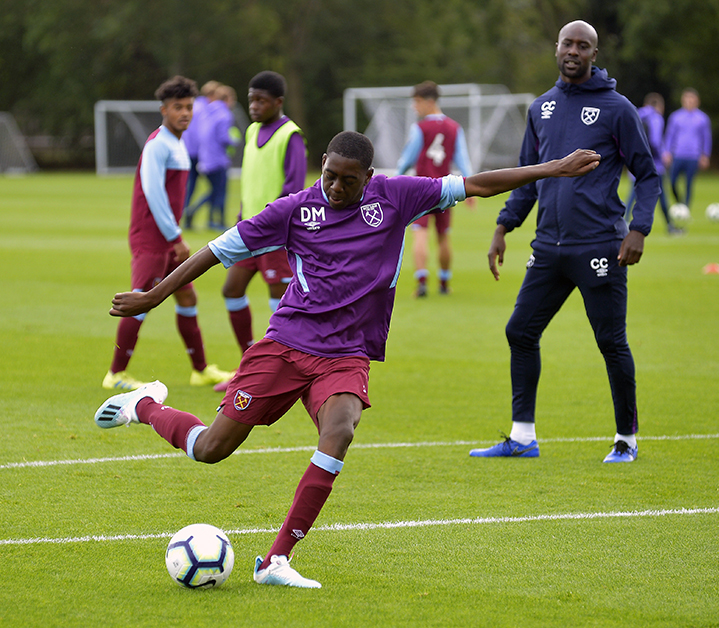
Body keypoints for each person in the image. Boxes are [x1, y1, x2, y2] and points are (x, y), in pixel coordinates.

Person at [94, 131, 599, 587]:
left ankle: (276, 561)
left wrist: (551, 168)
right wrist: (155, 295)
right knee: (210, 449)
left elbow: (478, 184)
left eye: (347, 181)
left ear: (369, 179)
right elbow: (218, 250)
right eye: (329, 176)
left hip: (347, 354)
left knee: (340, 429)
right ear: (321, 167)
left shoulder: (398, 197)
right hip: (287, 345)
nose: (335, 188)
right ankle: (146, 407)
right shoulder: (292, 210)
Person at [469, 20, 659, 463]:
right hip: (548, 248)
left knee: (611, 341)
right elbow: (526, 178)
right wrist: (504, 225)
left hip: (600, 246)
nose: (574, 51)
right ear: (557, 49)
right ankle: (522, 437)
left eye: (584, 46)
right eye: (568, 43)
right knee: (520, 331)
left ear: (595, 54)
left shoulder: (618, 109)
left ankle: (626, 440)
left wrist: (638, 228)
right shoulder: (541, 109)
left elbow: (647, 175)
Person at [101, 76, 234, 392]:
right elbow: (153, 193)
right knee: (140, 299)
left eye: (189, 107)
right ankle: (115, 374)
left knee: (187, 296)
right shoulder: (158, 144)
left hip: (167, 237)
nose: (185, 113)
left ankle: (200, 370)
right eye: (178, 108)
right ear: (164, 110)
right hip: (152, 238)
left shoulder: (178, 144)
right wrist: (175, 237)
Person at [218, 71, 307, 376]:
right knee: (231, 290)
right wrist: (242, 213)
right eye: (251, 100)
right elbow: (251, 179)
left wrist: (271, 220)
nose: (254, 106)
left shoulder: (290, 135)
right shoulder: (251, 131)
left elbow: (293, 188)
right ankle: (248, 364)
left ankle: (285, 367)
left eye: (262, 101)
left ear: (278, 102)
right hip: (249, 232)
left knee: (280, 303)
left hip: (276, 235)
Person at [395, 80, 474, 297]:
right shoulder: (454, 128)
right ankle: (444, 283)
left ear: (429, 102)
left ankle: (421, 282)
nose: (414, 107)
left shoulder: (419, 128)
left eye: (417, 102)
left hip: (420, 190)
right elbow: (462, 160)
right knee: (443, 236)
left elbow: (407, 160)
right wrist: (470, 187)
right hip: (445, 189)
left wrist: (394, 180)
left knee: (419, 234)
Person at [625, 93, 681, 235]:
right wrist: (662, 155)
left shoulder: (636, 114)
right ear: (659, 106)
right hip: (653, 163)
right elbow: (655, 141)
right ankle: (670, 226)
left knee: (633, 193)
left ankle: (624, 222)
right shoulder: (656, 117)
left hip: (635, 161)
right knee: (661, 194)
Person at [189, 84, 240, 230]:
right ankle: (217, 221)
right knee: (220, 192)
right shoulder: (224, 114)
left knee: (214, 191)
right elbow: (224, 137)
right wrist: (234, 140)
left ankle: (206, 217)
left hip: (205, 159)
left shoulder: (208, 112)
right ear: (227, 99)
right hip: (218, 160)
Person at [663, 88, 712, 210]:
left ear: (697, 101)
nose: (689, 101)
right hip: (678, 154)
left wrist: (705, 155)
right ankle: (679, 202)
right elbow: (669, 135)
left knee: (689, 183)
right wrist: (666, 152)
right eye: (687, 99)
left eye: (692, 99)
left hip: (693, 156)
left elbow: (706, 138)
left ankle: (686, 208)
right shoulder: (675, 117)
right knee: (672, 181)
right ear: (682, 100)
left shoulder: (702, 118)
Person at [182, 80, 221, 224]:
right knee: (216, 187)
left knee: (190, 186)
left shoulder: (195, 105)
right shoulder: (205, 110)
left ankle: (186, 216)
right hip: (199, 153)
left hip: (188, 151)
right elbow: (201, 133)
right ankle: (200, 214)